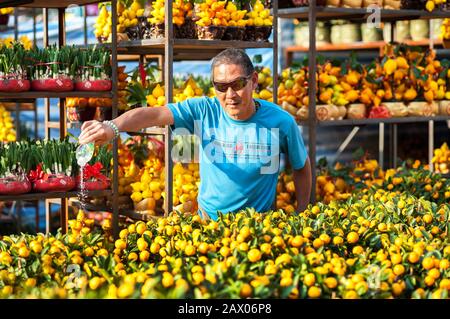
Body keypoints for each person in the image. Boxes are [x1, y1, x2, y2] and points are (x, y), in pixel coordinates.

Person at [79, 48, 312, 220]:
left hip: (259, 227)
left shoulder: (280, 121)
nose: (230, 94)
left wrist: (302, 213)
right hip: (208, 225)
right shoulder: (204, 111)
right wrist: (113, 127)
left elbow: (301, 166)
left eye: (238, 84)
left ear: (253, 81)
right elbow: (152, 114)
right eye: (221, 86)